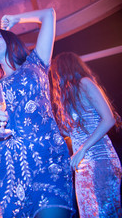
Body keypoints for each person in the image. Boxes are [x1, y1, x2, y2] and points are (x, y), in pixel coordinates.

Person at [0, 8, 74, 217]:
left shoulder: (36, 63)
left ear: (10, 41)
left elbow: (49, 15)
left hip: (46, 160)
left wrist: (16, 18)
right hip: (6, 170)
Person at [50, 51, 122, 217]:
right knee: (88, 213)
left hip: (99, 159)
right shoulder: (70, 96)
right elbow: (71, 132)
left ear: (64, 69)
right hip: (83, 165)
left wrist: (82, 149)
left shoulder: (85, 83)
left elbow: (109, 119)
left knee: (103, 212)